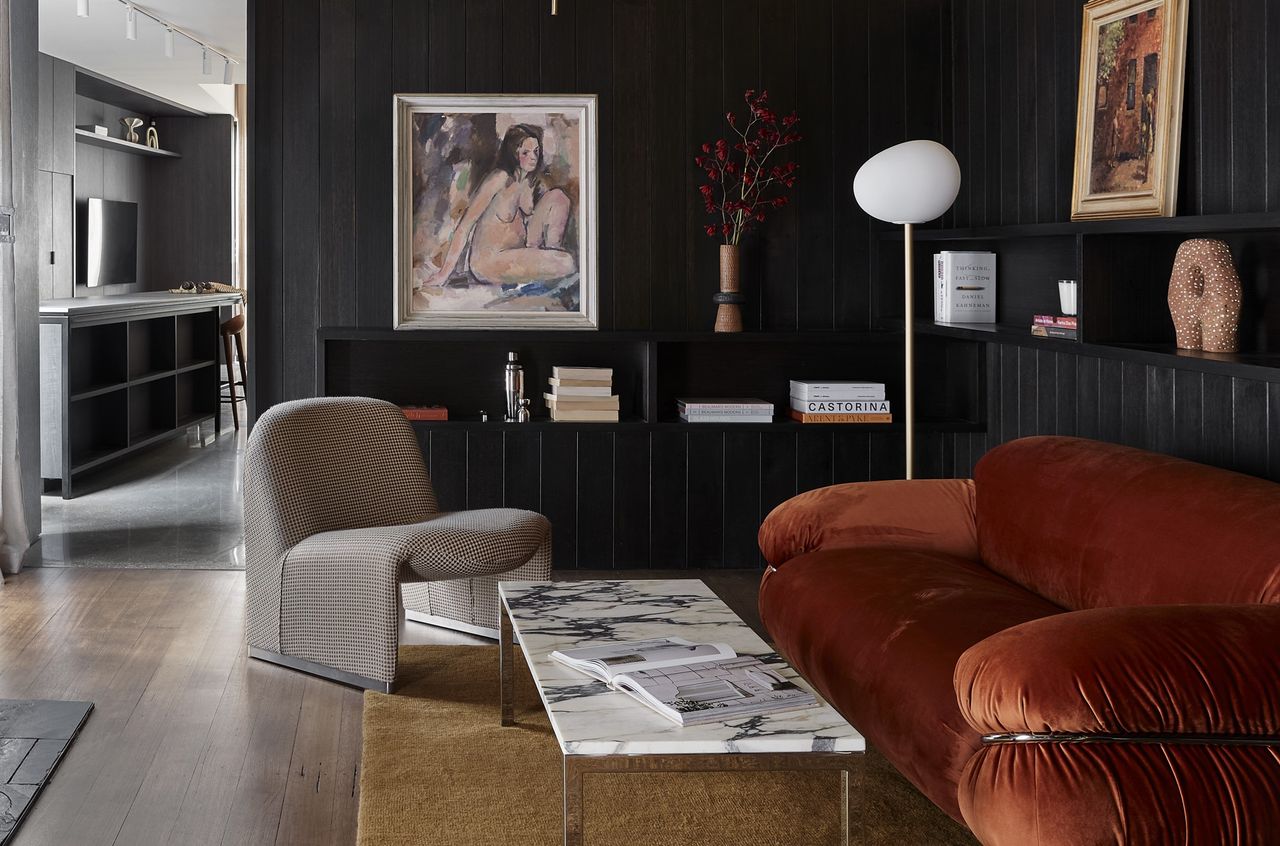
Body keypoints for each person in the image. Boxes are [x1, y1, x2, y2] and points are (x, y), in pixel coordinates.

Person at [424, 123, 575, 289]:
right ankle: (551, 263)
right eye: (526, 152)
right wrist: (443, 274)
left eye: (536, 151)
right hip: (490, 262)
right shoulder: (498, 179)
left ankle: (551, 254)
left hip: (518, 253)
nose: (533, 157)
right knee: (567, 263)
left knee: (559, 197)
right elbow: (464, 227)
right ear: (514, 154)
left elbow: (534, 224)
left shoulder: (527, 183)